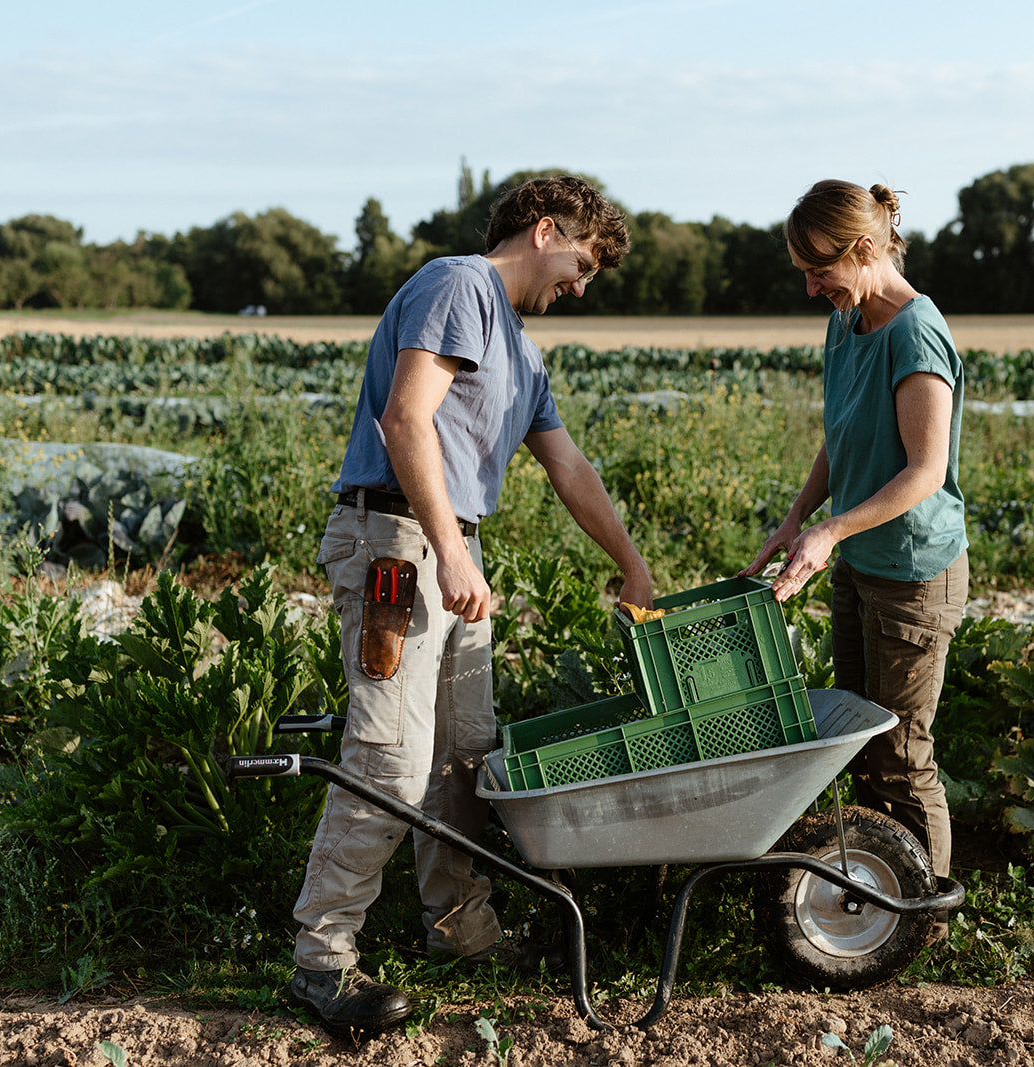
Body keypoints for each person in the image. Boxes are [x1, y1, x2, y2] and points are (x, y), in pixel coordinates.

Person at [288, 175, 654, 1033]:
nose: (582, 287)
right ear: (545, 231)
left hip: (450, 548)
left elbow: (568, 466)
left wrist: (632, 565)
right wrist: (449, 548)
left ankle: (461, 932)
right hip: (397, 543)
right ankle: (320, 963)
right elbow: (405, 419)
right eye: (583, 265)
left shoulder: (522, 352)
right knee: (388, 756)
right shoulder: (460, 286)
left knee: (462, 755)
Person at [741, 179, 968, 889]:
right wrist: (798, 518)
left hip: (914, 572)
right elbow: (843, 434)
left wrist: (831, 530)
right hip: (862, 560)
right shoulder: (846, 321)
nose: (811, 288)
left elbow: (925, 471)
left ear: (865, 248)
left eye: (820, 270)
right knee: (861, 745)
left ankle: (923, 915)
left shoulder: (915, 331)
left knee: (902, 756)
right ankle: (879, 896)